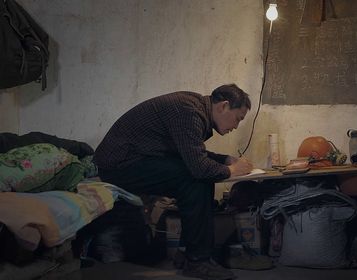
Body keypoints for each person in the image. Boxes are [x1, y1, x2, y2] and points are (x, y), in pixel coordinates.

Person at [94, 84, 254, 280]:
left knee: (198, 177)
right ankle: (197, 260)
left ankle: (189, 253)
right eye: (238, 118)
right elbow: (199, 167)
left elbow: (190, 152)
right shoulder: (188, 112)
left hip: (136, 159)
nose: (236, 126)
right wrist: (231, 170)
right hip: (120, 165)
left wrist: (225, 160)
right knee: (196, 179)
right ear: (223, 106)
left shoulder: (194, 109)